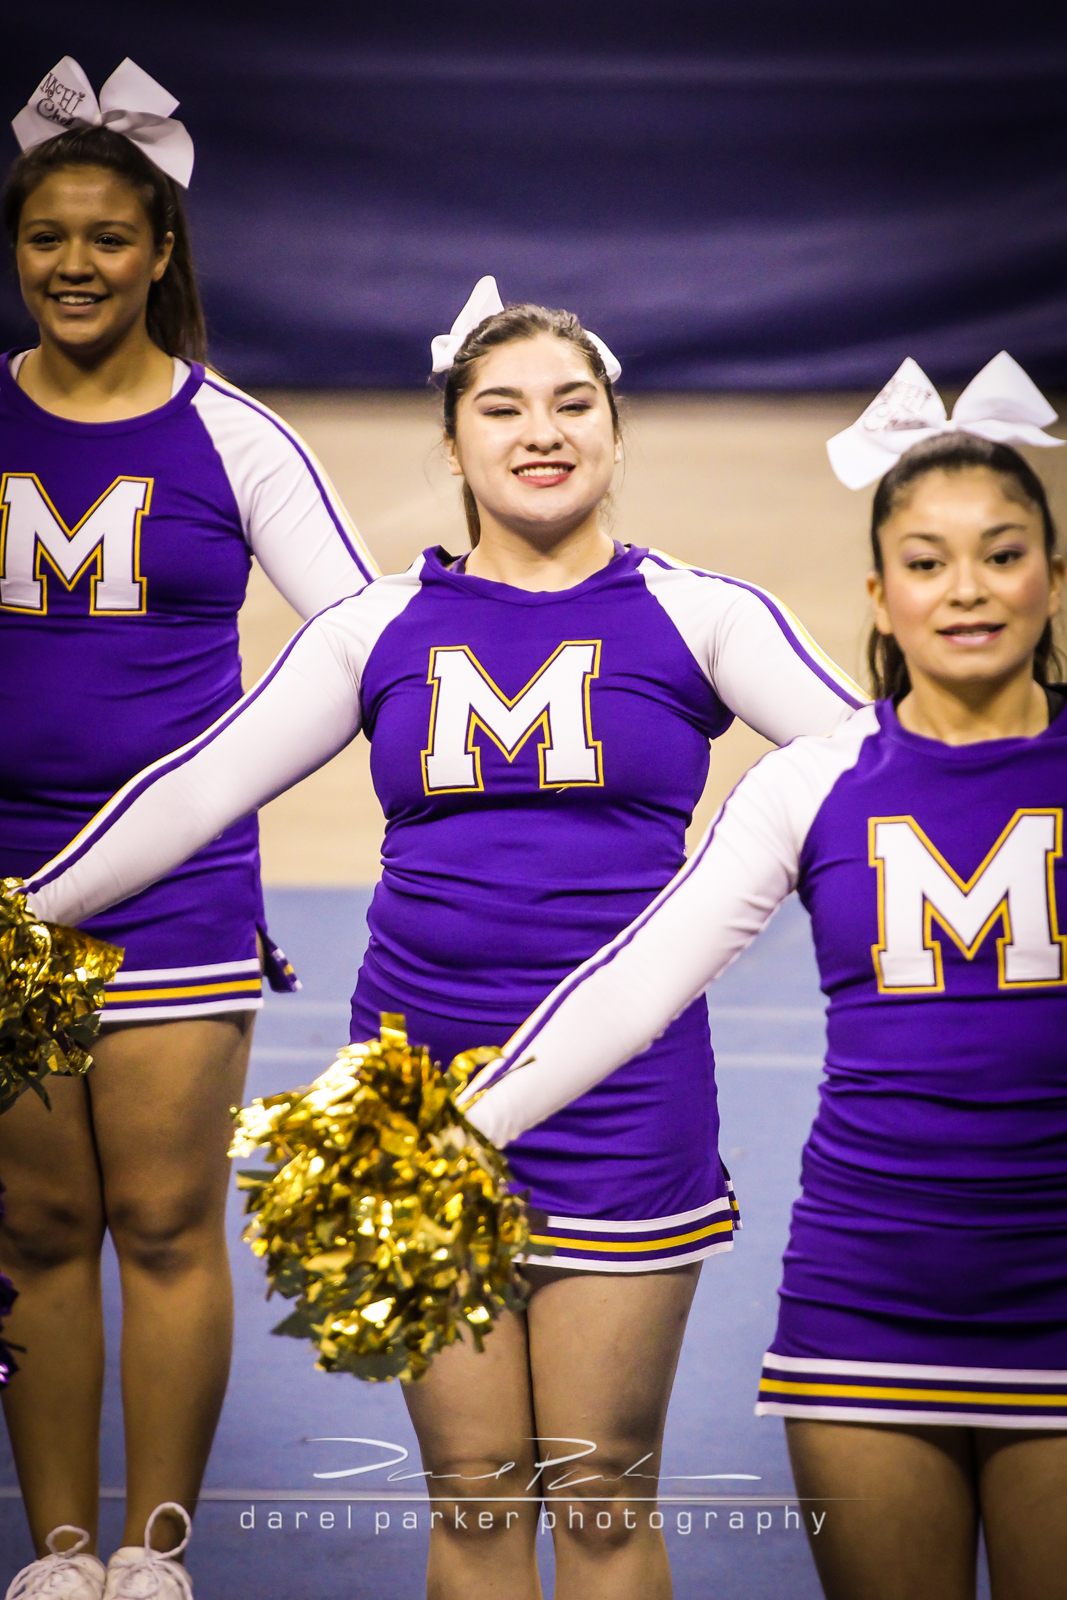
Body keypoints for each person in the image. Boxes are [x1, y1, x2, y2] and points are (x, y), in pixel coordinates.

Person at [19, 275, 864, 1600]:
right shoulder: (374, 627)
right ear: (453, 440)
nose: (542, 431)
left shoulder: (703, 615)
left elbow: (877, 770)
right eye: (502, 406)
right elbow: (192, 791)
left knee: (599, 1494)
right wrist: (23, 918)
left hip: (621, 1102)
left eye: (572, 404)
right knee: (469, 1492)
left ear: (615, 430)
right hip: (409, 1107)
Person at [453, 355, 1067, 1600]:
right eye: (926, 561)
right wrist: (450, 1134)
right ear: (878, 595)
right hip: (866, 1298)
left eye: (1000, 555)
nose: (964, 588)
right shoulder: (808, 784)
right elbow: (633, 985)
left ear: (1050, 579)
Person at [0, 58, 376, 1600]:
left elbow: (361, 641)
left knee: (161, 1221)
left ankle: (154, 1553)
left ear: (161, 250)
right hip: (5, 893)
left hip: (178, 896)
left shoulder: (237, 437)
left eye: (108, 236)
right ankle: (57, 1553)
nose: (75, 265)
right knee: (35, 1229)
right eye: (46, 238)